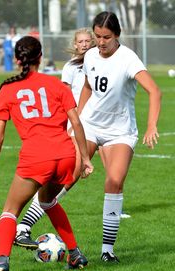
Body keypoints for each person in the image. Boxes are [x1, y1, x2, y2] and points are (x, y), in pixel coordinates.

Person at [0, 36, 93, 271]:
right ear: (40, 57)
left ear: (16, 59)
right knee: (48, 201)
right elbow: (77, 123)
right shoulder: (58, 86)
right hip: (65, 155)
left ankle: (2, 262)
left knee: (10, 210)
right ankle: (75, 254)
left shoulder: (7, 88)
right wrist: (86, 158)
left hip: (36, 158)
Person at [75, 11, 162, 263]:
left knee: (114, 181)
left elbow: (154, 91)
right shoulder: (90, 54)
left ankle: (107, 250)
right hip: (90, 125)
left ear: (117, 36)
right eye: (97, 36)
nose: (101, 42)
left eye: (106, 37)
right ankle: (25, 226)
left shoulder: (128, 58)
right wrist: (77, 121)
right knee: (69, 173)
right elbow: (88, 87)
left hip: (120, 131)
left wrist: (151, 125)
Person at [15, 28, 95, 249]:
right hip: (78, 124)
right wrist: (66, 126)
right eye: (81, 41)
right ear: (75, 44)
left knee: (112, 180)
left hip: (102, 124)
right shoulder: (70, 68)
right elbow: (63, 98)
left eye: (89, 40)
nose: (85, 44)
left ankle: (111, 228)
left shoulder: (101, 63)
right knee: (66, 179)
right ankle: (24, 226)